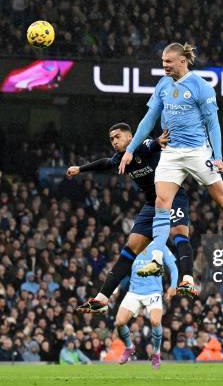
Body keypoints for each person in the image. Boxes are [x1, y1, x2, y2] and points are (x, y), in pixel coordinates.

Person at [118, 42, 223, 295]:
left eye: (168, 62)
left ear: (183, 61)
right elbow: (148, 120)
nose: (164, 66)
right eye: (162, 62)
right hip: (170, 154)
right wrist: (129, 149)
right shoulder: (163, 85)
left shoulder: (201, 87)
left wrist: (218, 155)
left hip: (197, 152)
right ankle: (157, 257)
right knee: (161, 201)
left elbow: (213, 124)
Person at [69, 123, 192, 314]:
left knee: (178, 235)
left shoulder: (143, 145)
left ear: (130, 137)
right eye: (111, 139)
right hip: (153, 204)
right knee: (130, 248)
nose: (114, 142)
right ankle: (101, 300)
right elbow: (105, 163)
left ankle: (187, 281)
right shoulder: (121, 158)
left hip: (173, 196)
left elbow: (155, 143)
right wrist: (80, 168)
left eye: (117, 137)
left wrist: (160, 141)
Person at [116, 246, 177, 369]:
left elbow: (174, 268)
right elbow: (120, 267)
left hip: (153, 292)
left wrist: (173, 285)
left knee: (155, 321)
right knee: (120, 322)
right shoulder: (133, 245)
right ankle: (129, 347)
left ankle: (156, 353)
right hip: (134, 291)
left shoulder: (160, 245)